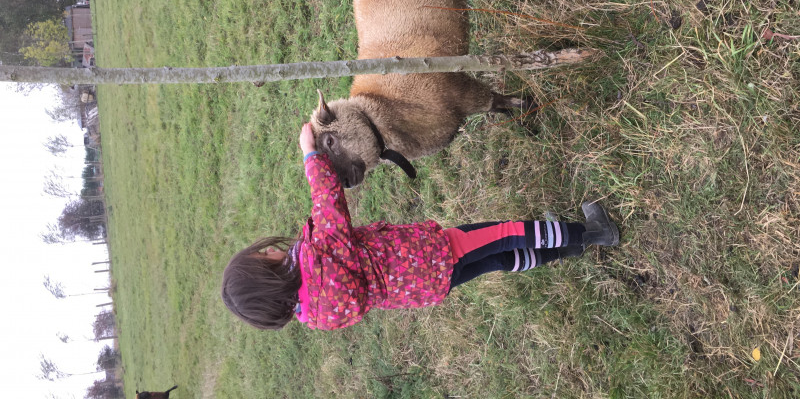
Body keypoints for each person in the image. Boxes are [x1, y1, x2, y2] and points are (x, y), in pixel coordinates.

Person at [220, 123, 620, 331]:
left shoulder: (315, 314)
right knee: (506, 233)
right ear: (267, 270)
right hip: (433, 252)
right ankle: (590, 233)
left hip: (427, 287)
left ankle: (569, 250)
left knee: (499, 260)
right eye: (263, 255)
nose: (270, 250)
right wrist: (311, 155)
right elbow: (329, 206)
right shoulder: (316, 258)